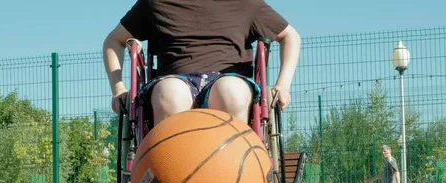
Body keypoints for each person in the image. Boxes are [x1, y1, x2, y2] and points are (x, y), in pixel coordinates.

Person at [102, 0, 301, 126]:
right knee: (170, 93)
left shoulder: (246, 3)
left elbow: (290, 36)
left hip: (229, 79)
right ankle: (173, 180)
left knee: (231, 91)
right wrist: (118, 88)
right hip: (174, 80)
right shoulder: (156, 3)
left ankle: (231, 178)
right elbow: (114, 40)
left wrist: (283, 85)